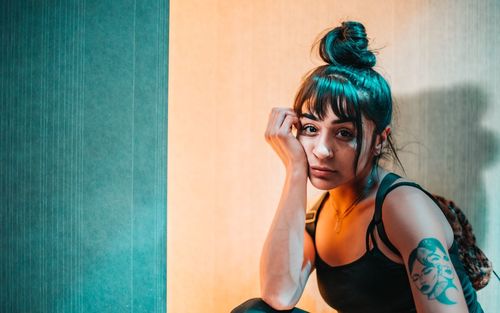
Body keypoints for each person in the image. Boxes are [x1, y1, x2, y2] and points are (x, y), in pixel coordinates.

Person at [232, 21, 483, 313]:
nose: (322, 151)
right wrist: (295, 170)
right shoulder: (321, 213)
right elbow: (279, 295)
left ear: (379, 140)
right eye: (311, 129)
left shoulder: (403, 206)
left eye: (345, 134)